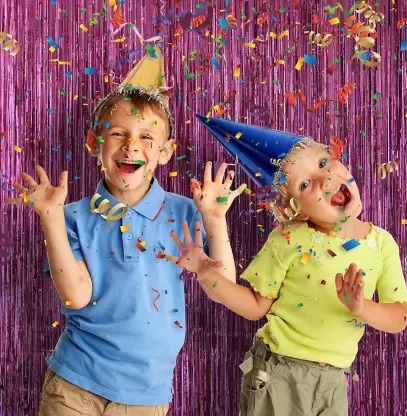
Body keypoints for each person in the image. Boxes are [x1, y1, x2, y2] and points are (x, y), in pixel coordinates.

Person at [7, 47, 245, 416]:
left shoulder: (185, 212)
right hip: (76, 383)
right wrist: (51, 218)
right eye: (118, 133)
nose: (132, 144)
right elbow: (77, 297)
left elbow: (223, 290)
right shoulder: (72, 217)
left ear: (166, 152)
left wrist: (214, 220)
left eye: (147, 137)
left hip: (147, 395)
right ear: (94, 143)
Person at [159, 117, 407, 416]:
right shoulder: (287, 238)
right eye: (304, 184)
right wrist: (206, 273)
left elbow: (399, 318)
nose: (323, 179)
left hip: (334, 380)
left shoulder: (381, 243)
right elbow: (255, 307)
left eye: (323, 162)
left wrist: (361, 307)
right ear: (296, 212)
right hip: (279, 372)